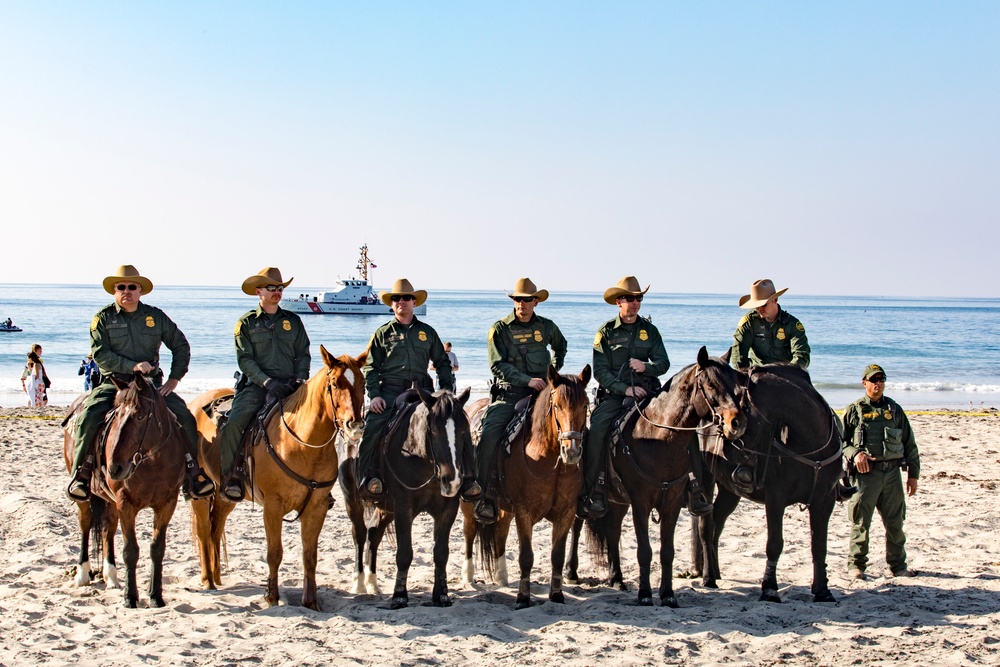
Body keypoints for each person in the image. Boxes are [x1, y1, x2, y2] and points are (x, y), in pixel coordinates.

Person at [66, 265, 215, 502]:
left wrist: (174, 379)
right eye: (121, 287)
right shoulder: (103, 318)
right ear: (115, 291)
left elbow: (180, 345)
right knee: (89, 417)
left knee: (185, 418)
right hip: (115, 384)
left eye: (132, 287)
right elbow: (99, 353)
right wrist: (131, 366)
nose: (127, 291)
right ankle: (81, 475)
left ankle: (192, 474)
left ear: (140, 291)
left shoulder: (155, 317)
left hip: (150, 386)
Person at [579, 276, 712, 519]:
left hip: (650, 393)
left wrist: (646, 367)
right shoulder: (606, 333)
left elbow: (664, 363)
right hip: (616, 396)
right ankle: (594, 488)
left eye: (639, 298)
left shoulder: (649, 331)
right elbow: (600, 372)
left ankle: (695, 487)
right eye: (630, 298)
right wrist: (625, 389)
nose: (635, 302)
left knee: (684, 426)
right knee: (597, 430)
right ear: (619, 302)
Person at [357, 278, 479, 501]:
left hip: (424, 392)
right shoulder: (382, 334)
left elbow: (442, 362)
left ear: (414, 302)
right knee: (373, 427)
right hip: (391, 393)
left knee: (457, 424)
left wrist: (445, 391)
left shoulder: (427, 332)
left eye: (406, 298)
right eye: (396, 298)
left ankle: (469, 477)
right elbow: (371, 368)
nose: (401, 301)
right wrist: (374, 396)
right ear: (391, 304)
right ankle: (368, 477)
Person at [473, 278, 567, 523]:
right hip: (510, 395)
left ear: (536, 302)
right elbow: (497, 364)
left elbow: (561, 346)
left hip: (542, 396)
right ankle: (485, 495)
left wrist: (552, 375)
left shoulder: (547, 327)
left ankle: (582, 490)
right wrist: (527, 380)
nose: (522, 304)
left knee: (574, 429)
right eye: (518, 299)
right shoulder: (500, 329)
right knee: (490, 435)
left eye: (527, 300)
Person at [217, 267, 312, 501]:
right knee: (235, 424)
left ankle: (317, 480)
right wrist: (267, 382)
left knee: (318, 420)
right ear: (258, 291)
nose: (276, 292)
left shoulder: (293, 321)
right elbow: (245, 360)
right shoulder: (246, 323)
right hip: (257, 387)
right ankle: (231, 476)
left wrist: (300, 379)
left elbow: (304, 353)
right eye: (271, 288)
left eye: (279, 288)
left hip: (292, 386)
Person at [843, 364, 920, 579]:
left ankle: (898, 566)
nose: (878, 384)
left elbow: (910, 443)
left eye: (881, 380)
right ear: (864, 383)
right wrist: (855, 454)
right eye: (873, 380)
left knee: (896, 523)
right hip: (866, 476)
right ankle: (856, 566)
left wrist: (913, 475)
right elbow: (840, 442)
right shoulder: (854, 410)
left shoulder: (894, 410)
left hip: (892, 474)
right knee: (861, 523)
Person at [730, 278, 810, 370]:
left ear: (775, 300)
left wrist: (789, 373)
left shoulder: (792, 324)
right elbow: (738, 354)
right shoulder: (749, 323)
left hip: (787, 374)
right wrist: (744, 375)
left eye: (763, 305)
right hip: (757, 376)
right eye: (756, 306)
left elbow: (801, 355)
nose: (759, 309)